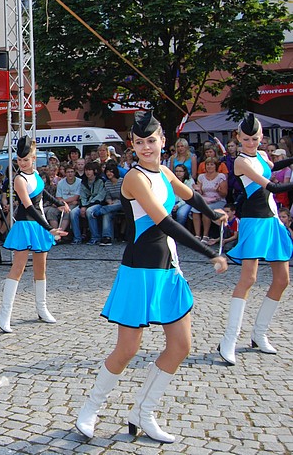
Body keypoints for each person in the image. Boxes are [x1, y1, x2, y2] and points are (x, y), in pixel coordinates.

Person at [74, 112, 228, 443]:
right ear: (133, 145)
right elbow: (164, 222)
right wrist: (209, 252)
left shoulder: (166, 172)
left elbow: (190, 195)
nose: (146, 147)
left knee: (181, 345)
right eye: (139, 142)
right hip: (139, 271)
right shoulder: (135, 178)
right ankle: (89, 409)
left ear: (162, 141)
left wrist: (213, 214)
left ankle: (143, 412)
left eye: (151, 140)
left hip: (168, 267)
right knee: (127, 349)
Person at [217, 113, 293, 366]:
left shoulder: (260, 155)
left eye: (255, 138)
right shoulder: (240, 162)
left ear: (261, 137)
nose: (251, 143)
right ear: (238, 137)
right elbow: (272, 186)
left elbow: (273, 167)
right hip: (254, 221)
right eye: (246, 139)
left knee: (282, 280)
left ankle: (259, 334)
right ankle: (228, 340)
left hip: (272, 220)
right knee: (248, 279)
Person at [0, 136, 69, 332]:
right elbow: (29, 206)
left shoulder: (36, 174)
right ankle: (4, 313)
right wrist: (48, 228)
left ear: (34, 158)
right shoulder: (18, 179)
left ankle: (42, 308)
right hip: (26, 225)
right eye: (20, 160)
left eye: (26, 160)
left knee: (40, 269)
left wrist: (59, 203)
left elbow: (42, 193)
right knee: (18, 268)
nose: (22, 163)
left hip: (39, 225)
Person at [191, 157, 227, 244]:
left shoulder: (221, 176)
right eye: (207, 164)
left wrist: (218, 190)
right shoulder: (201, 177)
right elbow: (200, 192)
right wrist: (198, 189)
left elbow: (224, 194)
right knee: (194, 209)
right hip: (205, 199)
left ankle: (205, 235)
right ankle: (197, 235)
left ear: (216, 166)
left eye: (212, 164)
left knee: (206, 210)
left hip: (218, 200)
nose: (209, 166)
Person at [71, 161, 106, 245]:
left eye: (90, 170)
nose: (87, 172)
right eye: (86, 170)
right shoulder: (84, 182)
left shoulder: (101, 181)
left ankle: (95, 237)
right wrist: (83, 206)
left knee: (89, 211)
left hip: (98, 203)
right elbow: (82, 196)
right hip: (85, 203)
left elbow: (100, 196)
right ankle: (77, 237)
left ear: (94, 171)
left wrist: (87, 206)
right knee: (73, 212)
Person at [92, 164, 124, 245]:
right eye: (107, 172)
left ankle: (100, 211)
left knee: (118, 203)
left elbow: (125, 195)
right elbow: (108, 196)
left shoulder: (122, 181)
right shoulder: (107, 183)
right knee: (107, 214)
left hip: (123, 203)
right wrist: (109, 201)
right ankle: (107, 237)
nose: (109, 173)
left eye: (111, 172)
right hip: (112, 205)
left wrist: (116, 201)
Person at [54, 165, 81, 237]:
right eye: (68, 172)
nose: (70, 174)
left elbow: (75, 197)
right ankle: (54, 234)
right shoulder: (60, 183)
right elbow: (58, 197)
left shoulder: (79, 182)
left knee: (67, 211)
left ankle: (59, 235)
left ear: (75, 173)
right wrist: (63, 203)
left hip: (73, 204)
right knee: (51, 212)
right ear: (65, 173)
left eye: (72, 172)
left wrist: (64, 201)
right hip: (62, 203)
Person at [171, 164, 195, 229]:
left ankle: (179, 230)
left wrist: (178, 205)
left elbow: (188, 196)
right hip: (174, 201)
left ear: (185, 172)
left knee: (181, 214)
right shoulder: (172, 180)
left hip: (186, 202)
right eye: (176, 171)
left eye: (180, 171)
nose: (178, 173)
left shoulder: (190, 181)